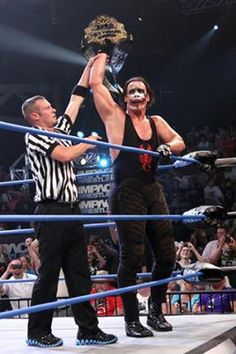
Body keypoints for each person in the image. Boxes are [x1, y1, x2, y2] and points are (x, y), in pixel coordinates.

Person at [21, 58, 118, 348]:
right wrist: (87, 143)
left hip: (72, 211)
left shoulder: (60, 130)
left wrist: (91, 63)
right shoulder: (33, 135)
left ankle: (87, 329)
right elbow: (63, 156)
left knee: (79, 272)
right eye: (48, 107)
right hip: (51, 212)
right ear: (35, 116)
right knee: (48, 274)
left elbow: (76, 99)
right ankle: (37, 332)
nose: (54, 109)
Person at [89, 53, 186, 337]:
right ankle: (131, 319)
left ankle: (155, 310)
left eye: (140, 90)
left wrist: (170, 148)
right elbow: (96, 84)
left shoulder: (156, 121)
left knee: (167, 254)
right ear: (125, 97)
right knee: (132, 256)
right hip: (127, 188)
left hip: (152, 188)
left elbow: (179, 140)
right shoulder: (117, 118)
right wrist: (104, 51)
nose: (135, 94)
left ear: (148, 96)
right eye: (131, 90)